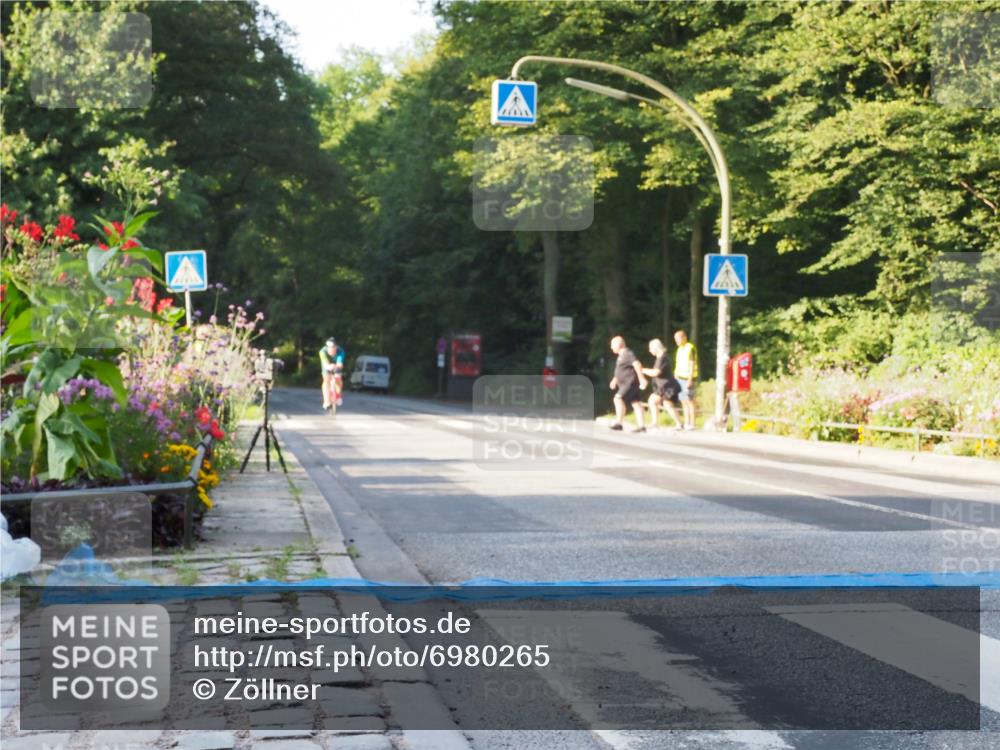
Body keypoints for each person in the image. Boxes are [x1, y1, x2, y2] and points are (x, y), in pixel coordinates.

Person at [642, 338, 683, 431]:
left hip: (668, 387)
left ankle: (679, 424)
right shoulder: (660, 358)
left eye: (651, 348)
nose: (650, 350)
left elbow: (656, 372)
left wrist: (643, 370)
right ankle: (655, 423)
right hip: (662, 387)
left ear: (655, 348)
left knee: (667, 405)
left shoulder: (662, 358)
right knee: (653, 401)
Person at [609, 335, 648, 432]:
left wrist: (642, 378)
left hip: (629, 382)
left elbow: (637, 364)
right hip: (625, 383)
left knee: (618, 399)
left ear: (620, 345)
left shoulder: (627, 353)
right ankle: (642, 426)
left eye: (613, 345)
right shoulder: (621, 355)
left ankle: (619, 423)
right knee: (636, 403)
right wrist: (615, 379)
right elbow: (621, 369)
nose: (611, 347)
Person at [673, 329, 698, 430]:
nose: (676, 341)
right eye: (675, 339)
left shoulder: (690, 348)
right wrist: (675, 374)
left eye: (678, 338)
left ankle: (692, 423)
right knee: (683, 400)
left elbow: (692, 364)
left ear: (684, 337)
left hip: (688, 378)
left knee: (690, 400)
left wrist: (690, 379)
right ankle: (686, 422)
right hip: (680, 378)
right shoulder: (679, 349)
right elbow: (678, 363)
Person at [319, 337, 345, 410]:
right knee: (326, 379)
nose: (330, 349)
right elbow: (325, 363)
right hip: (327, 364)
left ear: (336, 347)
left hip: (336, 365)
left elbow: (340, 363)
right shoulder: (322, 351)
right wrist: (328, 366)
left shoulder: (340, 351)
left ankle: (338, 395)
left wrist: (337, 367)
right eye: (329, 347)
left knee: (338, 377)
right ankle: (326, 401)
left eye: (332, 347)